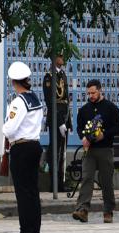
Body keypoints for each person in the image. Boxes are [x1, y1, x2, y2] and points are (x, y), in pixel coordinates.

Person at [2, 61, 43, 233]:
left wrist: (4, 126)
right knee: (33, 193)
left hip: (22, 148)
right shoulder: (35, 98)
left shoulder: (18, 102)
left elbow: (10, 129)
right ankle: (34, 231)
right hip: (34, 145)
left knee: (23, 193)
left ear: (13, 81)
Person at [72, 79, 119, 224]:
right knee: (87, 178)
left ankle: (108, 211)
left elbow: (118, 126)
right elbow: (80, 127)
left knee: (106, 181)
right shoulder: (84, 110)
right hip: (90, 150)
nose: (91, 96)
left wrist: (104, 134)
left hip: (105, 149)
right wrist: (83, 137)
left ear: (100, 90)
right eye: (88, 93)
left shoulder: (110, 107)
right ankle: (82, 209)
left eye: (93, 92)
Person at [43, 54, 72, 192]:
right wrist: (60, 122)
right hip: (55, 120)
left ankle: (60, 184)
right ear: (54, 58)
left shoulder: (63, 75)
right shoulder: (49, 76)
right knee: (55, 151)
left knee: (62, 153)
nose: (63, 58)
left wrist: (68, 122)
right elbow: (50, 102)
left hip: (64, 117)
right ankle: (53, 184)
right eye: (60, 56)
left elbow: (66, 100)